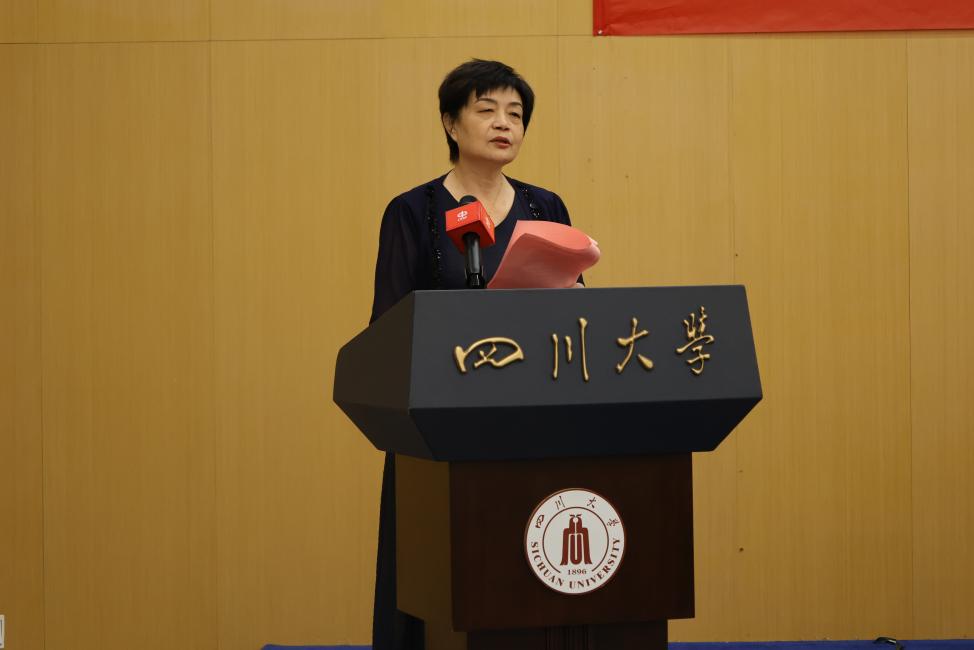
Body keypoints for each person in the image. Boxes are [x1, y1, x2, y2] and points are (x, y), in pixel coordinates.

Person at [368, 59, 580, 650]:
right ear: (450, 123)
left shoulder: (545, 207)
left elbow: (574, 312)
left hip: (531, 417)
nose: (503, 123)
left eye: (515, 113)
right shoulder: (413, 211)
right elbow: (389, 326)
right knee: (444, 579)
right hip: (442, 426)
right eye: (486, 110)